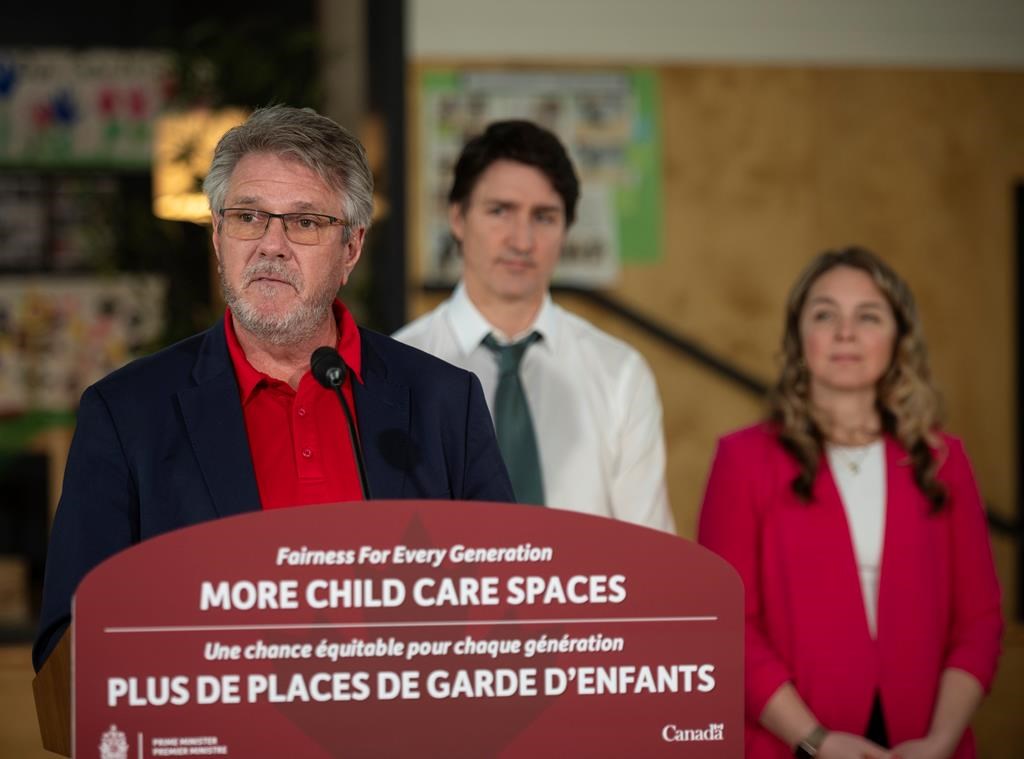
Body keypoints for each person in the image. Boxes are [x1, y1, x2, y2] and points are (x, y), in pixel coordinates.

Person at [33, 106, 514, 671]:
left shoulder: (442, 402)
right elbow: (71, 636)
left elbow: (504, 605)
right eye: (247, 217)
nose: (271, 244)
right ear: (217, 235)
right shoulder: (126, 413)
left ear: (351, 249)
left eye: (305, 222)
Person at [697, 247, 1002, 758]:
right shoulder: (742, 460)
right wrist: (814, 741)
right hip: (791, 744)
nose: (845, 333)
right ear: (799, 338)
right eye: (824, 315)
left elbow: (979, 622)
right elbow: (725, 624)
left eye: (868, 316)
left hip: (926, 746)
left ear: (898, 338)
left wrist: (941, 741)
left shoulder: (945, 461)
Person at [394, 120, 674, 532]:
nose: (522, 240)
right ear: (457, 217)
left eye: (544, 217)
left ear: (566, 230)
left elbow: (652, 552)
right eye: (499, 211)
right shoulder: (398, 368)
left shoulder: (619, 373)